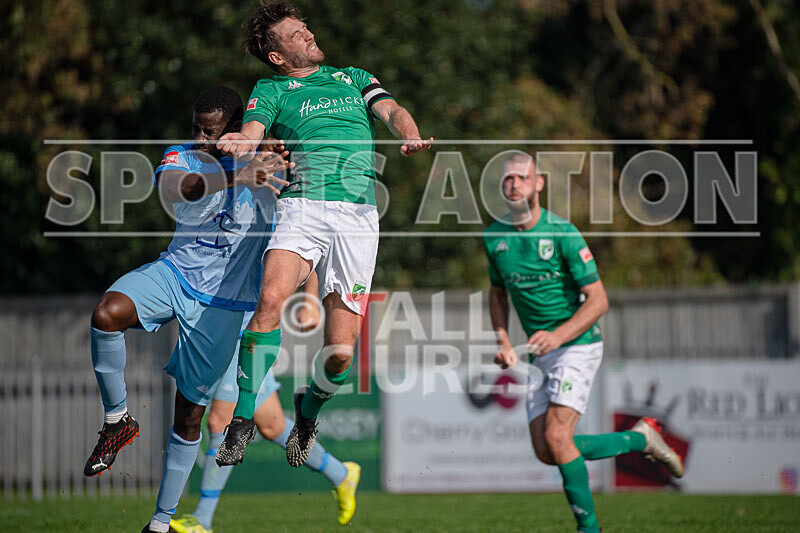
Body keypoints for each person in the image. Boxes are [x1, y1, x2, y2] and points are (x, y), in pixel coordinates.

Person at [214, 1, 433, 468]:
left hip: (357, 220)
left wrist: (408, 131)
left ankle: (308, 411)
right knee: (270, 297)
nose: (308, 35)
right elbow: (253, 129)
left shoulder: (353, 77)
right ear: (277, 55)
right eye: (296, 34)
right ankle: (243, 418)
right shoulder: (271, 88)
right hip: (303, 206)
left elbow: (391, 109)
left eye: (305, 27)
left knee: (338, 356)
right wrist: (242, 142)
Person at [83, 86, 290, 533]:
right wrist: (238, 175)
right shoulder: (184, 155)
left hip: (224, 306)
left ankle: (160, 522)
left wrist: (280, 157)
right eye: (196, 127)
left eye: (211, 131)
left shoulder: (274, 162)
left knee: (190, 416)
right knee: (107, 314)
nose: (199, 138)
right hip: (174, 276)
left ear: (237, 131)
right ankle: (117, 419)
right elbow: (179, 190)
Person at [484, 153, 684, 533]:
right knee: (546, 451)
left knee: (558, 437)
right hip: (540, 353)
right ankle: (639, 438)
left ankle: (590, 528)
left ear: (539, 184)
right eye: (507, 179)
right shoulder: (494, 237)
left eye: (522, 178)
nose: (514, 185)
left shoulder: (562, 233)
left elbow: (599, 300)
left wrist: (558, 335)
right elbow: (497, 294)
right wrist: (503, 339)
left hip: (577, 344)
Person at [170, 285, 361, 533]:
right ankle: (342, 474)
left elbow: (310, 248)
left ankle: (201, 519)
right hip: (229, 333)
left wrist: (311, 301)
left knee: (220, 422)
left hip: (249, 336)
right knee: (274, 426)